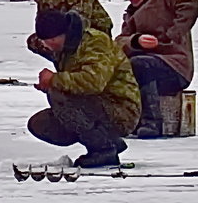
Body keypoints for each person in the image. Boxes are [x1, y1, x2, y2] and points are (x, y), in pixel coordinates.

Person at [27, 9, 141, 168]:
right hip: (95, 106)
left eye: (49, 41)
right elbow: (33, 42)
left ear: (59, 36)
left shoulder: (95, 42)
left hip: (120, 109)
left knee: (58, 93)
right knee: (40, 124)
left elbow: (94, 82)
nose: (46, 47)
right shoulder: (63, 47)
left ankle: (104, 150)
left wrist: (54, 80)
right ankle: (109, 140)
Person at [115, 0, 198, 138]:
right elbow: (119, 41)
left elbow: (190, 6)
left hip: (175, 67)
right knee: (123, 68)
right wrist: (136, 40)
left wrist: (171, 35)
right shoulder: (131, 15)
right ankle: (128, 120)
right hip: (148, 67)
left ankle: (152, 123)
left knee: (140, 64)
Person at [26, 0, 113, 62]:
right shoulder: (43, 0)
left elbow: (80, 26)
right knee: (34, 43)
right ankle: (63, 64)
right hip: (62, 32)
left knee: (71, 45)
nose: (49, 5)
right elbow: (42, 26)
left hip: (95, 30)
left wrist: (57, 38)